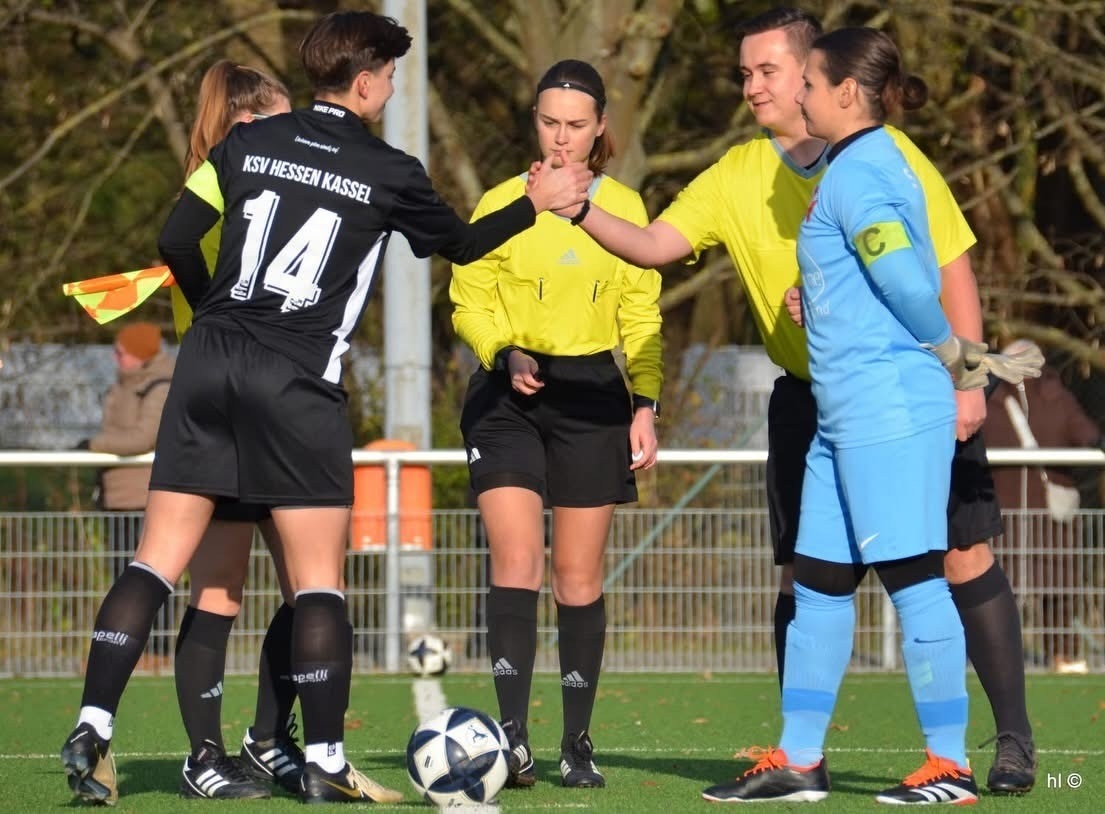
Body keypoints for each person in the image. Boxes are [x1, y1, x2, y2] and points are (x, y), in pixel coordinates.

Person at [60, 9, 590, 808]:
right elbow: (460, 244)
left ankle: (94, 722)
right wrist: (535, 200)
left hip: (206, 365)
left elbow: (175, 238)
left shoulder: (245, 141)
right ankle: (325, 760)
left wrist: (215, 319)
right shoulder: (387, 168)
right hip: (294, 381)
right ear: (367, 82)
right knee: (317, 585)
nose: (392, 90)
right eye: (391, 77)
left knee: (155, 561)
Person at [560, 7, 1036, 795]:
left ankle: (950, 763)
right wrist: (821, 298)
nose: (771, 90)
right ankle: (801, 759)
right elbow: (861, 267)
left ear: (840, 90)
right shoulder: (831, 165)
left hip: (886, 406)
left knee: (918, 576)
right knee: (815, 580)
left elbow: (903, 272)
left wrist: (957, 357)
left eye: (794, 78)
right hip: (831, 413)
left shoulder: (863, 168)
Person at [450, 59, 662, 790]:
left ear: (600, 127)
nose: (562, 137)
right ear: (534, 123)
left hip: (592, 396)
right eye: (549, 122)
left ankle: (576, 742)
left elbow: (641, 316)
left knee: (577, 575)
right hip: (504, 395)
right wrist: (501, 350)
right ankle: (511, 738)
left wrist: (645, 402)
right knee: (517, 561)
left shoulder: (626, 207)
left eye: (576, 124)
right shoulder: (499, 202)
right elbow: (468, 300)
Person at [168, 60, 302, 800]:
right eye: (283, 121)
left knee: (307, 586)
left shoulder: (264, 183)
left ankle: (267, 739)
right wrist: (214, 313)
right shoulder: (224, 183)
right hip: (226, 407)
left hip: (277, 404)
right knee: (219, 591)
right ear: (249, 124)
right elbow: (178, 247)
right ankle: (205, 755)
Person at [983, 343, 1100, 674]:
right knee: (1053, 584)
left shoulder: (991, 398)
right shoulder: (1054, 397)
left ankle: (1001, 654)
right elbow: (1088, 434)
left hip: (1015, 514)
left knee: (1015, 586)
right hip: (1031, 516)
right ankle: (1060, 656)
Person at [81, 321, 176, 668]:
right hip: (117, 496)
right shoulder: (122, 385)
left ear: (140, 353)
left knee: (151, 580)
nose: (115, 358)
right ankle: (127, 651)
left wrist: (92, 445)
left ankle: (158, 651)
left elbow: (144, 437)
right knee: (122, 577)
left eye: (121, 352)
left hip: (145, 497)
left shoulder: (160, 386)